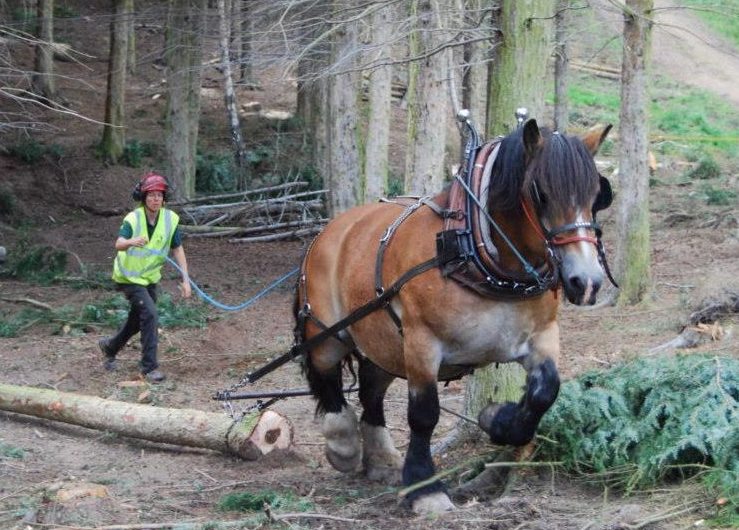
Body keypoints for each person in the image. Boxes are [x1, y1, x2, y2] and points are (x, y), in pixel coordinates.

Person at [98, 172, 191, 383]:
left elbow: (178, 250)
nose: (156, 199)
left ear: (164, 198)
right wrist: (131, 241)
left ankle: (110, 347)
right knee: (150, 314)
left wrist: (186, 280)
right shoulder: (133, 218)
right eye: (151, 195)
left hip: (149, 278)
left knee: (137, 320)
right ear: (143, 197)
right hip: (128, 278)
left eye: (159, 195)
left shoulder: (170, 219)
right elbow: (119, 243)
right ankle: (149, 368)